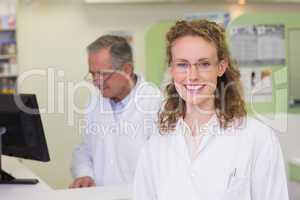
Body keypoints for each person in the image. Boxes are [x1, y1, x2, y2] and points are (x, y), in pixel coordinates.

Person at [133, 20, 289, 200]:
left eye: (204, 64)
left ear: (221, 67)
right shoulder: (155, 146)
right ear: (172, 69)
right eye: (182, 64)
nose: (192, 76)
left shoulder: (258, 139)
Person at [70, 35, 161, 188]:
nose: (97, 82)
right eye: (93, 74)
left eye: (104, 74)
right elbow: (85, 149)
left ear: (127, 70)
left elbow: (164, 166)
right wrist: (85, 174)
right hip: (100, 195)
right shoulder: (94, 102)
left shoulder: (156, 104)